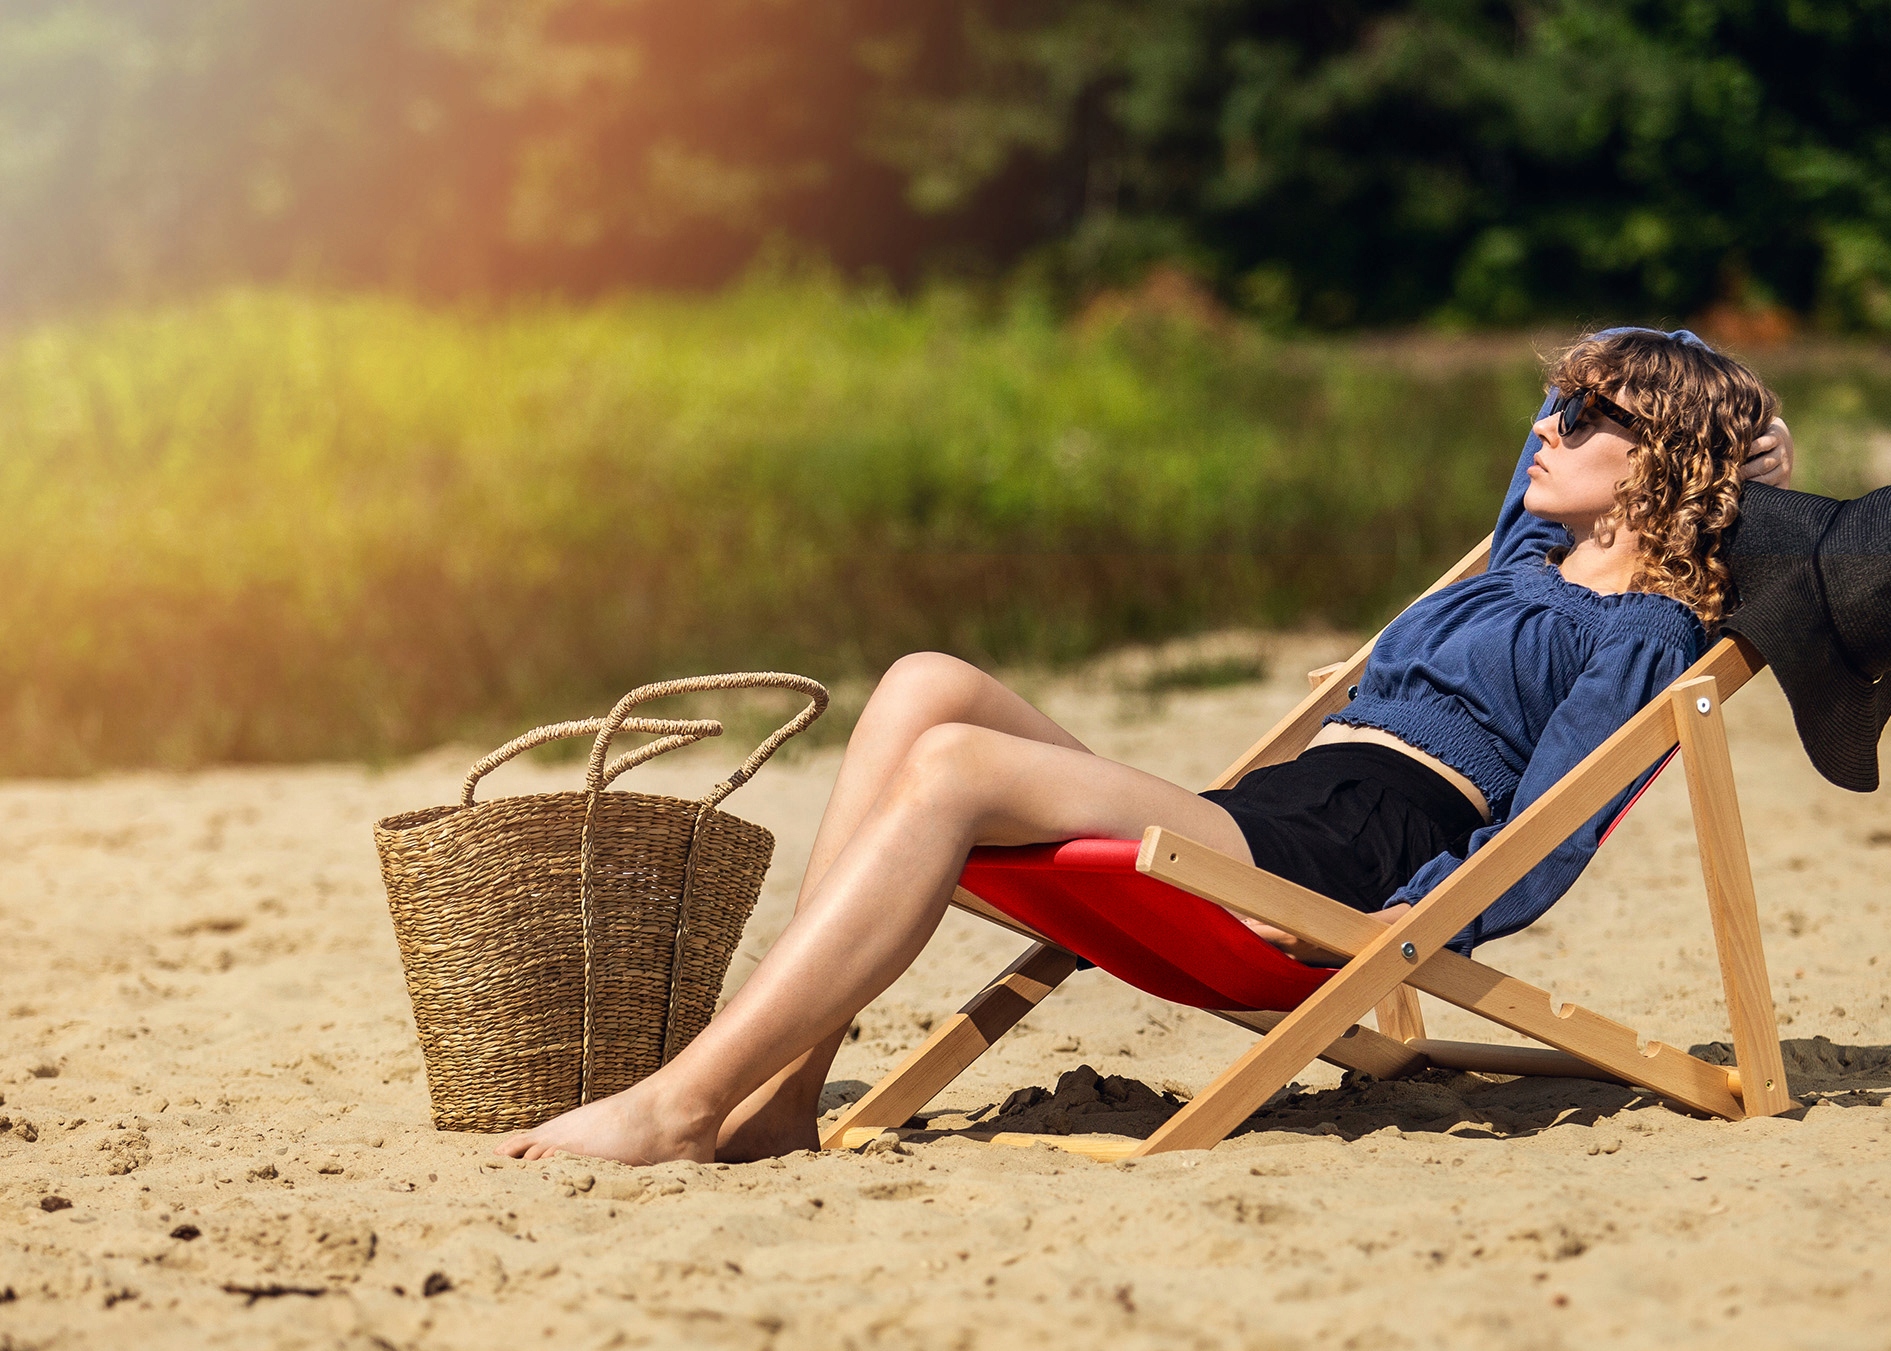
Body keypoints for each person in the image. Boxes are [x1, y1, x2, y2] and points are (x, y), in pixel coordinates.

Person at [497, 326, 1792, 1167]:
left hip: (1348, 852)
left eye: (1586, 420)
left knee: (953, 767)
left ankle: (679, 1102)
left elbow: (1554, 820)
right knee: (923, 682)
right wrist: (1655, 378)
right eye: (1553, 410)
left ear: (1663, 458)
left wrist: (1401, 929)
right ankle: (779, 1097)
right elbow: (1531, 467)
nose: (1549, 432)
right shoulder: (1530, 551)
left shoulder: (1643, 632)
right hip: (1271, 807)